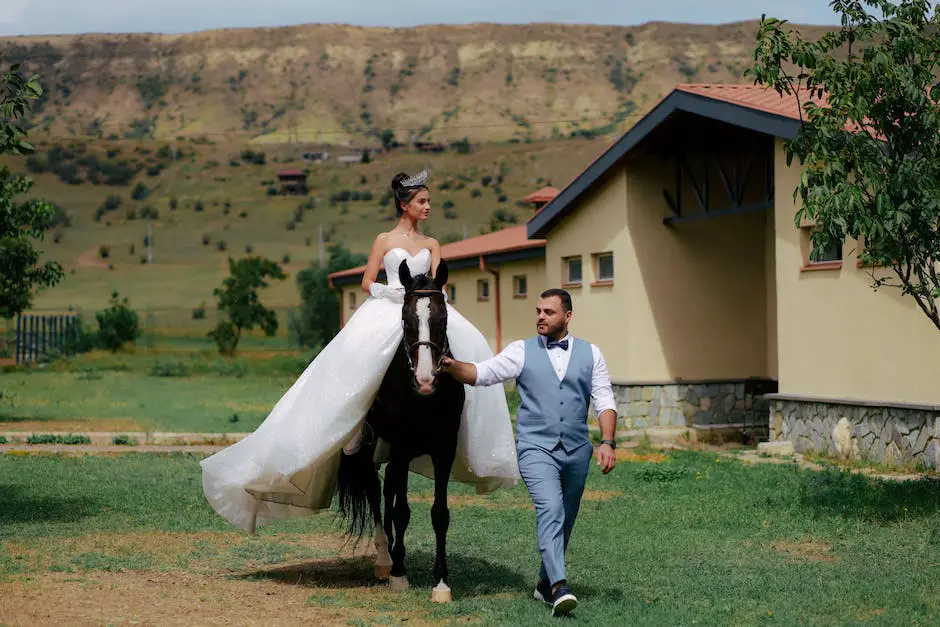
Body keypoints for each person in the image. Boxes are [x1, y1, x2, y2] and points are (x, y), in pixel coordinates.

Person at [200, 170, 520, 534]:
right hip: (389, 307)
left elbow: (435, 283)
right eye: (422, 201)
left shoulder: (433, 245)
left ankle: (464, 433)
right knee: (357, 361)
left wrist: (423, 300)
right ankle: (356, 427)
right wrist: (393, 294)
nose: (428, 206)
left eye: (429, 201)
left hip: (422, 310)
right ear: (405, 204)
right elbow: (368, 282)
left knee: (468, 346)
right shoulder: (384, 240)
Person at [441, 288, 618, 617]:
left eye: (549, 312)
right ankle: (558, 587)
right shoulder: (520, 351)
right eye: (538, 310)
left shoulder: (592, 354)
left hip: (578, 450)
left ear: (567, 316)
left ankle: (542, 582)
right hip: (536, 447)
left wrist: (607, 441)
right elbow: (483, 373)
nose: (540, 316)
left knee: (565, 517)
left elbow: (605, 400)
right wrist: (451, 365)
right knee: (550, 508)